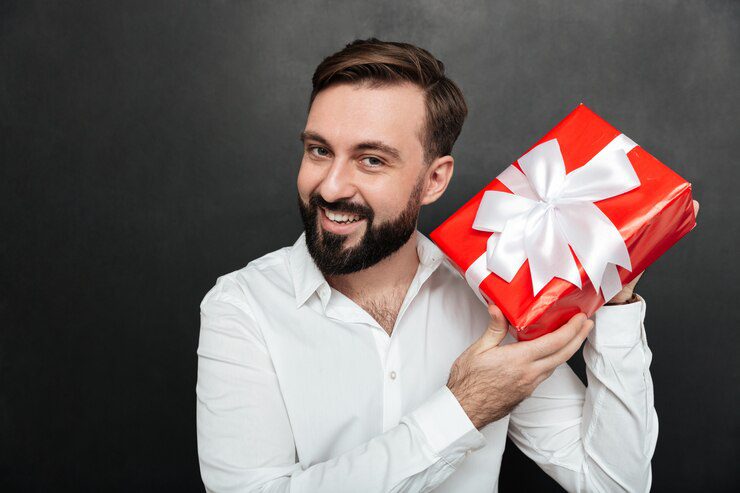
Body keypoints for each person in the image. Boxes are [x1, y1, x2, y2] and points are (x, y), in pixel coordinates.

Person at [195, 38, 700, 492]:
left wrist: (618, 305)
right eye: (319, 151)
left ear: (434, 180)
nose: (330, 186)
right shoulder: (243, 307)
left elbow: (614, 484)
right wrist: (465, 408)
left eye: (371, 159)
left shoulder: (491, 301)